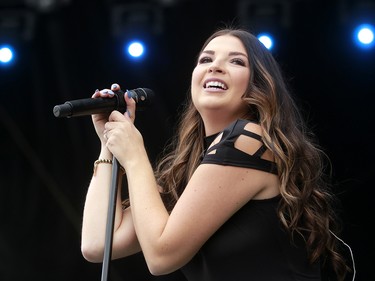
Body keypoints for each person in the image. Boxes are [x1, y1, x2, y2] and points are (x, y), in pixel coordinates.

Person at [80, 27, 351, 280]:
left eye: (236, 62)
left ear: (260, 85)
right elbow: (98, 245)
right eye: (205, 59)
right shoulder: (188, 172)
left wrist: (135, 155)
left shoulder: (250, 140)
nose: (215, 66)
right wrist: (109, 141)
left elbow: (161, 257)